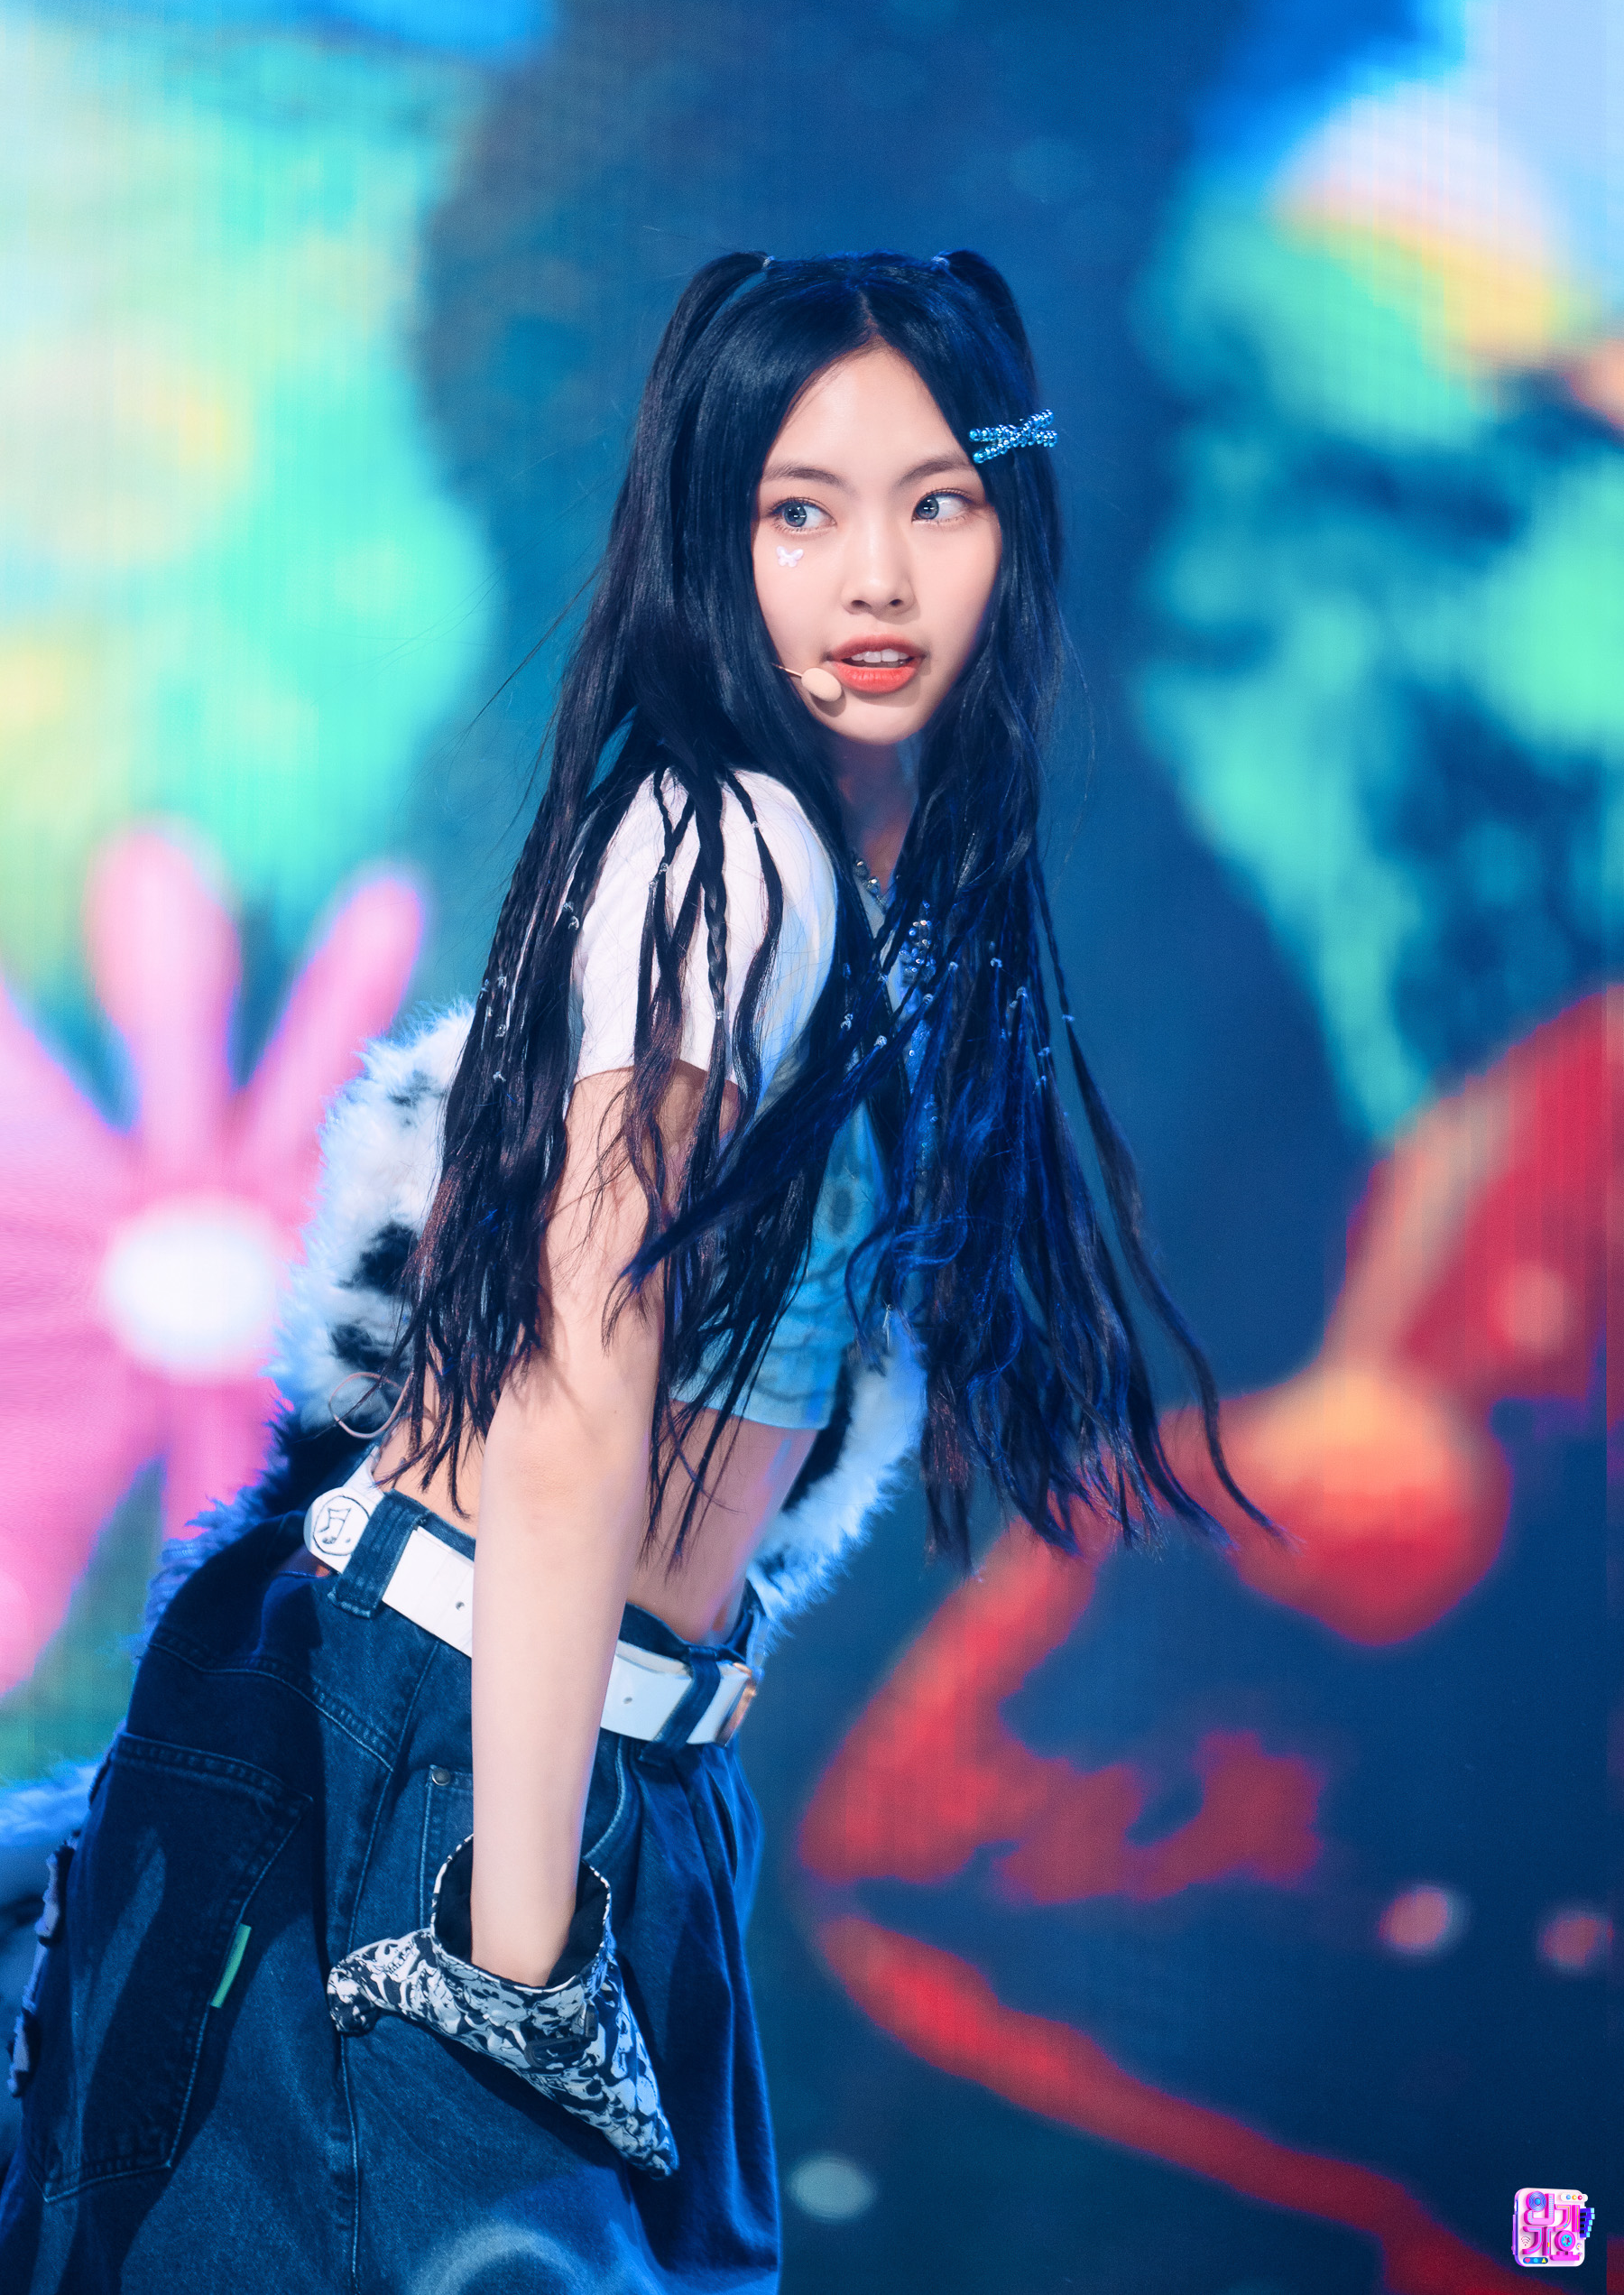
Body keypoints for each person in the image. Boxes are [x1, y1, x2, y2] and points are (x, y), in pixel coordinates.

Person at [0, 249, 1262, 2293]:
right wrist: (511, 1945)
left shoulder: (869, 890)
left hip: (576, 1763)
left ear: (1015, 518)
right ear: (713, 538)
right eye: (800, 511)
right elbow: (576, 1388)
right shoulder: (733, 850)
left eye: (935, 503)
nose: (874, 578)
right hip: (475, 1768)